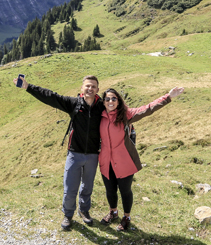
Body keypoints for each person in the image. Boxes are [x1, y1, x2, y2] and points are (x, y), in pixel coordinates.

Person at [13, 75, 104, 230]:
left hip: (93, 155)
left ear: (97, 90)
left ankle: (84, 211)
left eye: (93, 86)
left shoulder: (102, 107)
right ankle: (68, 215)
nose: (90, 89)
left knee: (87, 187)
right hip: (74, 154)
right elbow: (51, 97)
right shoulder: (73, 103)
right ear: (82, 88)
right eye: (87, 86)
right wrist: (29, 87)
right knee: (70, 189)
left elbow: (119, 111)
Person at [98, 86, 184, 231]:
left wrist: (168, 97)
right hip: (106, 161)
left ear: (118, 101)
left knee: (125, 191)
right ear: (104, 102)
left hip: (125, 160)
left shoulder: (126, 114)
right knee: (110, 190)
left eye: (114, 98)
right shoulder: (99, 116)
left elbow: (148, 108)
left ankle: (126, 217)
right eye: (107, 99)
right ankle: (113, 212)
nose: (111, 101)